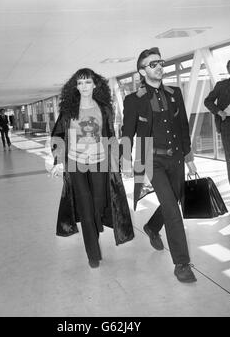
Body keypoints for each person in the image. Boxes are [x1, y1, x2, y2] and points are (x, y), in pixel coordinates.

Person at [121, 47, 197, 283]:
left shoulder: (175, 92)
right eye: (153, 64)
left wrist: (189, 157)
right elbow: (127, 132)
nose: (159, 67)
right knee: (173, 211)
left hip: (175, 157)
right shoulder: (134, 100)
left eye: (160, 62)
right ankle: (182, 264)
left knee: (172, 200)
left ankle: (152, 227)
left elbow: (183, 126)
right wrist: (125, 160)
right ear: (142, 71)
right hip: (151, 158)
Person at [50, 68, 134, 268]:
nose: (84, 87)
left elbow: (111, 135)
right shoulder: (69, 110)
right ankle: (92, 254)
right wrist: (59, 161)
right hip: (75, 164)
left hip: (100, 162)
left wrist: (123, 162)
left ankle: (93, 235)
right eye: (79, 83)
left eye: (87, 82)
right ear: (75, 87)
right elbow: (58, 135)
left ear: (95, 85)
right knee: (86, 208)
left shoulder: (104, 108)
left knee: (99, 204)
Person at [204, 57, 230, 198]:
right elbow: (207, 101)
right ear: (228, 70)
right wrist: (219, 112)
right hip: (228, 124)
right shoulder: (221, 85)